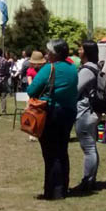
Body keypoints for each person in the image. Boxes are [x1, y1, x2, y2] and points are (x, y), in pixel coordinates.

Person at [27, 39, 78, 200]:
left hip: (51, 112)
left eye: (49, 52)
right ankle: (63, 186)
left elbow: (31, 90)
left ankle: (53, 190)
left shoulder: (49, 68)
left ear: (55, 54)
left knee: (50, 153)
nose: (47, 55)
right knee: (62, 150)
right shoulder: (72, 68)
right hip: (69, 112)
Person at [72, 40, 101, 193]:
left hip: (84, 112)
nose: (79, 50)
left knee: (88, 147)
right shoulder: (95, 67)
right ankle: (91, 178)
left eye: (81, 48)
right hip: (92, 111)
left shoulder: (87, 70)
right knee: (91, 147)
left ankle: (87, 180)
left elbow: (76, 89)